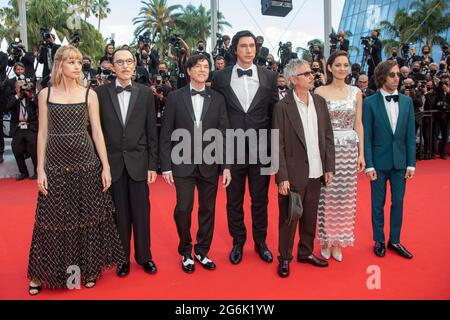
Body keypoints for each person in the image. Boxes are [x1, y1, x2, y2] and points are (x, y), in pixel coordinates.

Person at [27, 45, 125, 295]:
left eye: (79, 62)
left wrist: (105, 166)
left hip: (85, 163)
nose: (76, 66)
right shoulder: (45, 94)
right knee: (52, 220)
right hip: (56, 165)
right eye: (71, 62)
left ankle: (89, 269)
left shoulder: (89, 94)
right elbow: (43, 134)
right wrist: (40, 169)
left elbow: (97, 132)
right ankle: (43, 273)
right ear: (59, 64)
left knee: (86, 218)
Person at [160, 55, 232, 273]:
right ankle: (185, 250)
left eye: (206, 67)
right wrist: (166, 166)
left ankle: (202, 251)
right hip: (182, 163)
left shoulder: (218, 98)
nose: (203, 70)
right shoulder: (174, 97)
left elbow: (225, 133)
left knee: (207, 209)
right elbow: (166, 133)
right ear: (189, 71)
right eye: (198, 67)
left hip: (209, 164)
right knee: (183, 208)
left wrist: (227, 165)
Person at [211, 30, 278, 265]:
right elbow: (216, 113)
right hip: (232, 148)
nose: (249, 50)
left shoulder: (269, 77)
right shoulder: (219, 78)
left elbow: (274, 113)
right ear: (235, 50)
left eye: (252, 46)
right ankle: (238, 241)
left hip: (261, 149)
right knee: (234, 200)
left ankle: (261, 242)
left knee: (260, 200)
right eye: (244, 46)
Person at [95, 48, 159, 277]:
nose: (124, 65)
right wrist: (100, 166)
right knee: (118, 214)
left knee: (142, 213)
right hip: (112, 164)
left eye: (129, 61)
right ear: (112, 66)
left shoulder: (145, 93)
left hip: (139, 162)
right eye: (119, 62)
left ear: (134, 65)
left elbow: (152, 131)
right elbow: (97, 131)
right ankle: (122, 259)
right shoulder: (99, 94)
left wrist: (153, 164)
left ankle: (145, 256)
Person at [273, 59, 335, 277]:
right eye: (306, 73)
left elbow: (328, 136)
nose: (312, 76)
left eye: (311, 72)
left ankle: (306, 252)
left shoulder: (319, 102)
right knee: (290, 217)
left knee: (310, 215)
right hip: (292, 173)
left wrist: (329, 167)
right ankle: (285, 257)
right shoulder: (282, 107)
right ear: (292, 80)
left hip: (317, 170)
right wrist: (282, 176)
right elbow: (276, 143)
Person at [315, 51, 365, 262]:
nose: (342, 69)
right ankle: (325, 240)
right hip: (327, 150)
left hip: (349, 151)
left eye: (345, 65)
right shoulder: (319, 91)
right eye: (338, 65)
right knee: (325, 197)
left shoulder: (356, 92)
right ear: (329, 67)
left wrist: (361, 153)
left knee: (345, 199)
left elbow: (358, 123)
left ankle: (338, 242)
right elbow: (317, 125)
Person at [363, 60, 416, 259]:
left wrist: (411, 163)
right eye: (392, 75)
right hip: (378, 163)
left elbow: (410, 135)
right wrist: (369, 165)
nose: (396, 78)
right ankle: (379, 240)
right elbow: (367, 136)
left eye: (398, 75)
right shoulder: (369, 103)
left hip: (400, 163)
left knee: (399, 202)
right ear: (382, 77)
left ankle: (394, 240)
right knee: (378, 204)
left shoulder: (407, 101)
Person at [5, 76, 38, 180]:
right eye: (20, 87)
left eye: (24, 86)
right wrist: (17, 95)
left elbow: (39, 105)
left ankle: (37, 172)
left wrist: (31, 96)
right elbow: (7, 107)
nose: (23, 89)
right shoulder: (13, 98)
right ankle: (23, 172)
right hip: (18, 127)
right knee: (16, 148)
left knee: (33, 149)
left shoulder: (31, 97)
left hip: (30, 126)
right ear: (16, 88)